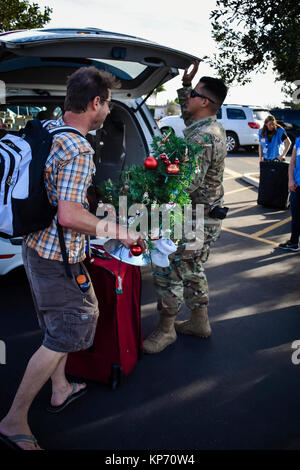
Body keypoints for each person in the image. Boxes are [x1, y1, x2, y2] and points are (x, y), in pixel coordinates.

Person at [0, 66, 144, 450]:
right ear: (95, 103)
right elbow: (68, 215)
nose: (109, 111)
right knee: (70, 327)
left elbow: (57, 194)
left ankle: (60, 387)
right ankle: (14, 419)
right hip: (57, 258)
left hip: (35, 247)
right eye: (108, 103)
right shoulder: (79, 148)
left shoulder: (49, 130)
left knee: (56, 326)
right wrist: (121, 231)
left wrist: (97, 207)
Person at [143, 61, 228, 354]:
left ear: (204, 102)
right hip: (202, 216)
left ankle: (166, 329)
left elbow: (186, 184)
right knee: (192, 268)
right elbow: (188, 114)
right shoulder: (205, 126)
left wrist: (150, 193)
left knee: (169, 269)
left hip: (194, 219)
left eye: (193, 94)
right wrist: (185, 84)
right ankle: (199, 322)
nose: (188, 98)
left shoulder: (204, 137)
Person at [278, 137, 300, 252]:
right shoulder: (298, 141)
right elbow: (292, 163)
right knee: (296, 216)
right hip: (297, 186)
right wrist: (291, 180)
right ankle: (294, 242)